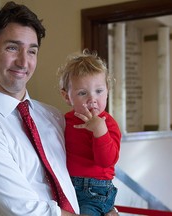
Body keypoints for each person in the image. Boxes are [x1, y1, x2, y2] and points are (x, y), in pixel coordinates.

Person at [0, 1, 83, 216]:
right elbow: (27, 211)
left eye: (32, 51)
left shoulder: (52, 116)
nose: (24, 62)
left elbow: (78, 176)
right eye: (12, 48)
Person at [58, 49, 121, 216]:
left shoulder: (108, 124)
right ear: (66, 97)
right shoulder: (64, 121)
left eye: (99, 91)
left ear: (107, 91)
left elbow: (106, 161)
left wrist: (100, 132)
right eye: (82, 93)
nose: (92, 99)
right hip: (68, 186)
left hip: (96, 191)